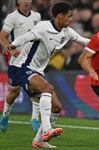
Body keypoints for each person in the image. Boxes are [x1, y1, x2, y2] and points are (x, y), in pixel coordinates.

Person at [4, 1, 90, 148]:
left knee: (56, 107)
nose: (71, 20)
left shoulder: (66, 31)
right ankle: (47, 129)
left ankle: (39, 140)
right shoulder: (43, 27)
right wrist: (13, 45)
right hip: (22, 67)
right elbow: (25, 37)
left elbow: (85, 41)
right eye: (69, 16)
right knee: (47, 89)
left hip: (37, 71)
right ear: (60, 16)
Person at [0, 0, 41, 132]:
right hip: (16, 62)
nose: (26, 1)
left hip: (33, 61)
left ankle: (35, 119)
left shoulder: (37, 16)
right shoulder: (12, 17)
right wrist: (9, 48)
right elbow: (3, 36)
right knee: (14, 92)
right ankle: (5, 115)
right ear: (18, 2)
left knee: (38, 90)